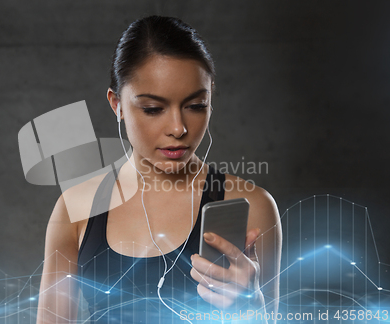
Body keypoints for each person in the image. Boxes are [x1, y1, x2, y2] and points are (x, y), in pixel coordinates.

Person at [37, 15, 282, 323]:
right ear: (117, 105)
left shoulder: (251, 205)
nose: (178, 128)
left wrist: (251, 308)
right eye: (153, 109)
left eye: (195, 106)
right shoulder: (76, 208)